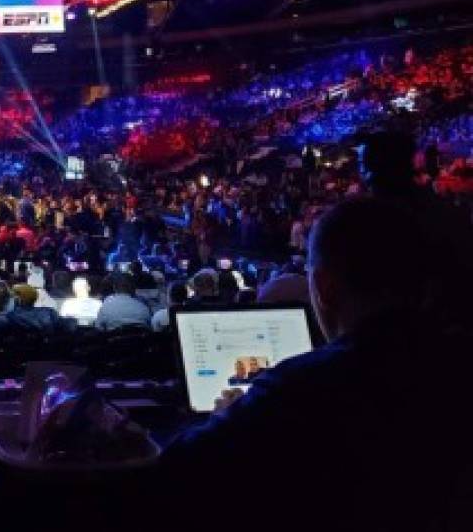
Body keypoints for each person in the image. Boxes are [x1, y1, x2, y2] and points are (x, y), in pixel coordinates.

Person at [159, 197, 473, 532]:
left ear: (325, 287)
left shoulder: (294, 388)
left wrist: (226, 416)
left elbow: (178, 473)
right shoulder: (457, 362)